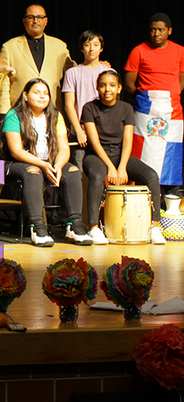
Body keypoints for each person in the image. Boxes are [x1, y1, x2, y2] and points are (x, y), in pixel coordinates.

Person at [1, 79, 92, 247]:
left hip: (48, 162)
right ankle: (37, 227)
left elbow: (64, 148)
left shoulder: (56, 116)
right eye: (36, 93)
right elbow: (16, 151)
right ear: (26, 96)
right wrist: (42, 165)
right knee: (33, 172)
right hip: (17, 163)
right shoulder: (14, 115)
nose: (42, 97)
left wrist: (58, 164)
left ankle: (74, 225)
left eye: (45, 93)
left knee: (73, 171)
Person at [82, 70, 164, 245]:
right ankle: (94, 227)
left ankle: (155, 227)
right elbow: (94, 142)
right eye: (103, 85)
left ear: (119, 88)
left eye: (112, 85)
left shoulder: (126, 108)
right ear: (97, 88)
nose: (107, 89)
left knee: (151, 176)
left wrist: (121, 167)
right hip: (96, 155)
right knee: (97, 176)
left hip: (120, 155)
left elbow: (127, 141)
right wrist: (111, 168)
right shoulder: (89, 108)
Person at [124, 12, 184, 188]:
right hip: (146, 108)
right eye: (152, 30)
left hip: (172, 110)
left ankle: (170, 194)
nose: (156, 33)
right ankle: (141, 191)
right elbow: (129, 84)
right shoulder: (138, 51)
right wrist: (147, 99)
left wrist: (168, 95)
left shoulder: (180, 51)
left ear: (169, 31)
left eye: (160, 30)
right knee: (143, 151)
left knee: (171, 152)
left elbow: (181, 80)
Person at [0, 4, 75, 113]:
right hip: (20, 112)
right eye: (31, 17)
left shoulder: (60, 46)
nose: (35, 21)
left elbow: (74, 74)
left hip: (51, 111)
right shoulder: (9, 47)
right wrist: (5, 113)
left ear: (46, 21)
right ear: (24, 21)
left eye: (40, 17)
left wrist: (94, 64)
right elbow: (3, 83)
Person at [62, 31, 109, 167]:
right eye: (87, 45)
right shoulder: (72, 73)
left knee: (103, 171)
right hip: (81, 134)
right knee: (79, 170)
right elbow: (69, 105)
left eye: (96, 45)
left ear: (101, 48)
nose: (91, 49)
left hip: (103, 133)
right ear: (82, 48)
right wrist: (78, 131)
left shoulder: (109, 73)